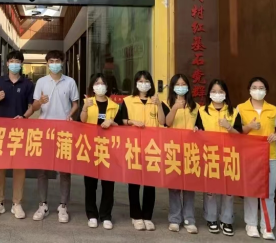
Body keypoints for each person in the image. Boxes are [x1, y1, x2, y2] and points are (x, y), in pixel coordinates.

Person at [25, 50, 79, 224]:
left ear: (62, 62)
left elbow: (75, 103)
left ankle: (63, 206)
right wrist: (39, 102)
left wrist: (70, 114)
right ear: (47, 63)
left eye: (57, 61)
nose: (54, 64)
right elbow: (34, 106)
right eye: (51, 61)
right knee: (42, 170)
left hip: (64, 131)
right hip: (45, 130)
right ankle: (43, 204)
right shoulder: (41, 82)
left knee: (64, 170)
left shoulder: (70, 82)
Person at [0, 51, 34, 220]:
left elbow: (32, 106)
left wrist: (24, 117)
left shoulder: (27, 84)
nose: (14, 64)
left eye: (17, 61)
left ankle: (17, 203)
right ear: (7, 63)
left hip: (19, 130)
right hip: (0, 130)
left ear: (21, 64)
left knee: (19, 167)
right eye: (12, 61)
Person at [238, 77, 276, 240]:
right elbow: (236, 131)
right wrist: (249, 127)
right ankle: (251, 225)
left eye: (261, 87)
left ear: (266, 90)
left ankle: (267, 227)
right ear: (249, 90)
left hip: (269, 155)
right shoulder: (241, 108)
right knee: (251, 191)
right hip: (249, 156)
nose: (258, 90)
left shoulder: (273, 109)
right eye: (254, 87)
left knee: (269, 193)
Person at [195, 79, 242, 236]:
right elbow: (198, 131)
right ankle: (211, 218)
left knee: (228, 190)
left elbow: (240, 135)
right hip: (210, 155)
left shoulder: (234, 112)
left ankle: (227, 220)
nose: (217, 94)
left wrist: (229, 127)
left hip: (229, 154)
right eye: (214, 91)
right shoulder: (202, 111)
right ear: (209, 93)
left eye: (220, 91)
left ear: (225, 94)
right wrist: (196, 130)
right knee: (211, 189)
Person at [120, 70, 164, 231]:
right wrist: (132, 122)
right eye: (140, 81)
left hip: (152, 147)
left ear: (151, 84)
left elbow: (163, 121)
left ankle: (147, 216)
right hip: (134, 146)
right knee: (134, 183)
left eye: (146, 81)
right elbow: (121, 120)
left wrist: (159, 105)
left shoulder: (156, 101)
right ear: (136, 83)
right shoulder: (128, 101)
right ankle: (136, 215)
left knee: (150, 183)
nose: (143, 84)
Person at [79, 73, 124, 230]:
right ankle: (92, 214)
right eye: (97, 83)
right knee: (90, 185)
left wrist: (111, 122)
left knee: (108, 185)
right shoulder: (87, 102)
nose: (100, 86)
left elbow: (121, 126)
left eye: (102, 83)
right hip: (90, 148)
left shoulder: (115, 106)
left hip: (108, 149)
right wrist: (85, 108)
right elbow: (81, 121)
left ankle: (106, 215)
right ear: (92, 87)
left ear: (107, 86)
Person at [162, 74, 199, 234]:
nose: (181, 87)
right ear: (173, 87)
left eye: (184, 84)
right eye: (178, 84)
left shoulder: (195, 106)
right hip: (173, 149)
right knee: (175, 186)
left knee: (189, 186)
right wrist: (175, 108)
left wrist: (197, 129)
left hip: (191, 150)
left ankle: (189, 219)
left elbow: (200, 126)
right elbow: (166, 122)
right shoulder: (166, 104)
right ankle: (175, 219)